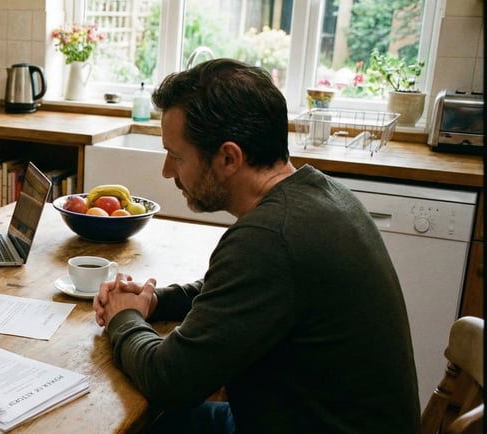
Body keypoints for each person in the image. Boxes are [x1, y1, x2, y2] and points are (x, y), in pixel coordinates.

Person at [93, 58, 420, 433]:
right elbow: (239, 292)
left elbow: (170, 379)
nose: (168, 171)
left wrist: (122, 317)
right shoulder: (322, 194)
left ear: (229, 157)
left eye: (177, 156)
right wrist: (155, 301)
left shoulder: (269, 238)